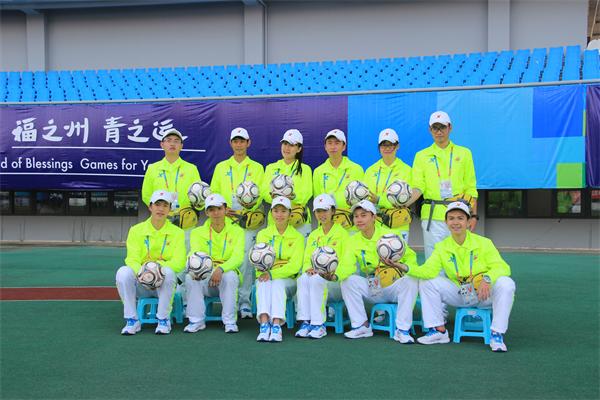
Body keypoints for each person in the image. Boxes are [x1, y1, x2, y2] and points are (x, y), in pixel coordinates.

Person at [406, 201, 516, 352]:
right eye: (451, 218)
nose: (455, 222)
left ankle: (497, 334)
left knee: (506, 283)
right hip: (461, 294)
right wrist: (405, 267)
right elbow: (428, 271)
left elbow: (503, 267)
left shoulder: (484, 243)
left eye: (460, 218)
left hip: (484, 294)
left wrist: (487, 278)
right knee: (427, 282)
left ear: (468, 221)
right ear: (446, 222)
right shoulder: (441, 247)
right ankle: (438, 331)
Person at [335, 199, 420, 343]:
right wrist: (335, 276)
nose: (359, 219)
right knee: (348, 281)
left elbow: (411, 258)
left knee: (411, 280)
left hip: (394, 286)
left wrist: (401, 266)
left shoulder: (391, 235)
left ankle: (402, 330)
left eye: (363, 215)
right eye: (356, 216)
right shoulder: (353, 240)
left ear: (374, 217)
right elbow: (347, 265)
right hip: (373, 287)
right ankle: (361, 326)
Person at [407, 111, 478, 259]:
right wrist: (402, 204)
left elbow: (470, 187)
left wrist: (473, 216)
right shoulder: (421, 156)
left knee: (459, 259)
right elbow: (418, 187)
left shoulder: (464, 153)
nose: (439, 132)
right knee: (434, 260)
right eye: (435, 128)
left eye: (442, 127)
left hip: (459, 214)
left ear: (450, 127)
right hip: (432, 217)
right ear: (430, 130)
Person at [210, 127, 265, 319]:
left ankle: (245, 303)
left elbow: (260, 194)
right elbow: (214, 193)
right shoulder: (221, 167)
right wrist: (223, 208)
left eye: (242, 141)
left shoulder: (257, 168)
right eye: (236, 141)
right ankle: (229, 302)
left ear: (248, 143)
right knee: (227, 259)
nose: (239, 144)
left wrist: (247, 210)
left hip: (247, 222)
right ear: (230, 143)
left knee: (247, 263)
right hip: (225, 221)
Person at [116, 190, 186, 335]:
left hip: (164, 283)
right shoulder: (136, 230)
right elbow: (132, 259)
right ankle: (132, 320)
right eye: (157, 205)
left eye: (165, 205)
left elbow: (179, 261)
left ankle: (163, 320)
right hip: (142, 283)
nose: (161, 209)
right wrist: (144, 273)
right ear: (150, 207)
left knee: (169, 272)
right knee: (123, 272)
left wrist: (156, 270)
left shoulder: (177, 233)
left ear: (170, 209)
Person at [184, 194, 245, 334]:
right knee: (190, 277)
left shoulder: (238, 231)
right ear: (206, 212)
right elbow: (194, 254)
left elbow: (238, 257)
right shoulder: (197, 232)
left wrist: (221, 269)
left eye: (219, 208)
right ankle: (196, 321)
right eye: (211, 210)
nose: (216, 213)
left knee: (230, 276)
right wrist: (202, 270)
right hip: (206, 274)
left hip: (226, 274)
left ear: (225, 209)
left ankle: (229, 322)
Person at [295, 194, 349, 339]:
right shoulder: (313, 235)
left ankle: (319, 325)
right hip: (317, 279)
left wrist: (334, 275)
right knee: (303, 279)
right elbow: (307, 259)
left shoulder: (343, 234)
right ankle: (305, 322)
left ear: (333, 211)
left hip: (336, 282)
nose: (321, 214)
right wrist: (308, 269)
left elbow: (347, 261)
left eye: (325, 210)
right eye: (318, 211)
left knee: (316, 280)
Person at [255, 196, 305, 342]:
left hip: (289, 282)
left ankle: (276, 325)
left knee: (277, 282)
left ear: (290, 214)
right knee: (263, 282)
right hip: (266, 277)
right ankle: (264, 324)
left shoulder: (298, 237)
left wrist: (272, 273)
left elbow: (295, 266)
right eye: (276, 211)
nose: (279, 215)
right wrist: (264, 274)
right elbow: (258, 260)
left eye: (283, 211)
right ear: (271, 213)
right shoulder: (263, 234)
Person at [141, 129, 201, 230]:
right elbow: (146, 195)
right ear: (162, 144)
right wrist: (161, 210)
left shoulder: (191, 169)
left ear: (181, 146)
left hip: (185, 223)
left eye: (176, 141)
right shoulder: (153, 169)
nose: (172, 144)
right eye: (168, 140)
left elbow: (198, 197)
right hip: (160, 221)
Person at [261, 129, 313, 238]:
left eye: (292, 145)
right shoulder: (271, 168)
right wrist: (284, 197)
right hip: (276, 218)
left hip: (298, 219)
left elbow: (306, 194)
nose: (287, 148)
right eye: (285, 144)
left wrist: (286, 196)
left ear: (299, 149)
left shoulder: (305, 169)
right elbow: (264, 193)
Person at [364, 128, 413, 242]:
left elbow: (404, 201)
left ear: (397, 146)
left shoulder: (407, 170)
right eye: (383, 145)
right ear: (379, 148)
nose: (387, 148)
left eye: (390, 145)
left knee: (398, 253)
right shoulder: (370, 170)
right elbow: (366, 198)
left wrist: (379, 200)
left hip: (398, 223)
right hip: (375, 224)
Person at [313, 129, 364, 230]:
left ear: (344, 146)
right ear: (325, 147)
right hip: (327, 225)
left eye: (337, 143)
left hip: (351, 225)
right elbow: (318, 199)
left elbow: (362, 200)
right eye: (330, 143)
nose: (333, 147)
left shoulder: (357, 169)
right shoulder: (318, 171)